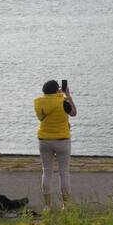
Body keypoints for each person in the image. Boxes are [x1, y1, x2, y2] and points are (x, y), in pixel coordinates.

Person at [34, 79, 77, 210]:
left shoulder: (38, 103)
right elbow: (74, 113)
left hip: (44, 140)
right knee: (64, 173)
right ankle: (66, 205)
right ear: (56, 90)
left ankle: (47, 206)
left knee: (46, 172)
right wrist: (68, 95)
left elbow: (40, 117)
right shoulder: (63, 101)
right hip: (62, 140)